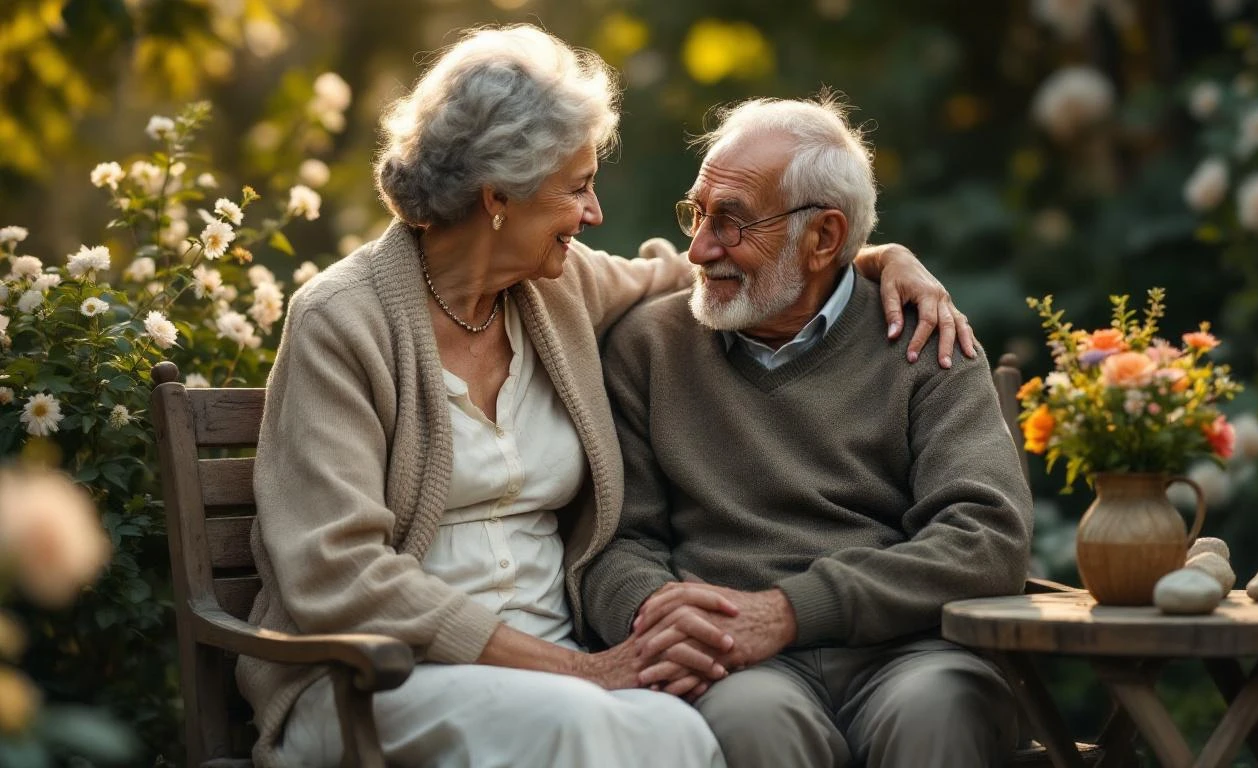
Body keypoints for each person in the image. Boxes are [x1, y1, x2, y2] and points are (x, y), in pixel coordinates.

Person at [239, 25, 976, 768]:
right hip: (379, 673)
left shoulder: (557, 289)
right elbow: (337, 571)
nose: (593, 212)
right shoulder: (342, 320)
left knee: (686, 732)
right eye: (577, 187)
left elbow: (730, 269)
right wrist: (577, 669)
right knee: (587, 727)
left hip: (564, 671)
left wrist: (875, 258)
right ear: (498, 197)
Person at [581, 95, 1034, 768]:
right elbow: (613, 542)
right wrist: (663, 615)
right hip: (731, 661)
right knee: (750, 725)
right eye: (697, 213)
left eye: (731, 222)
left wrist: (790, 611)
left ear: (823, 238)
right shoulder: (647, 346)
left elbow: (986, 539)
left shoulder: (928, 341)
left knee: (939, 712)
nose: (699, 248)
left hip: (914, 652)